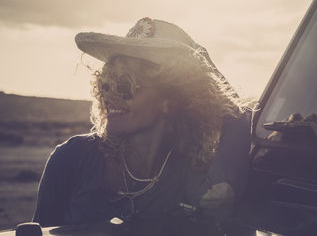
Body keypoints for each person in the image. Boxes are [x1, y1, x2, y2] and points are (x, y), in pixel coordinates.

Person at [32, 17, 251, 227]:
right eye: (106, 84)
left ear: (170, 99)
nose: (109, 96)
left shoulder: (189, 167)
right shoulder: (71, 159)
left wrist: (200, 62)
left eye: (125, 86)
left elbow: (240, 114)